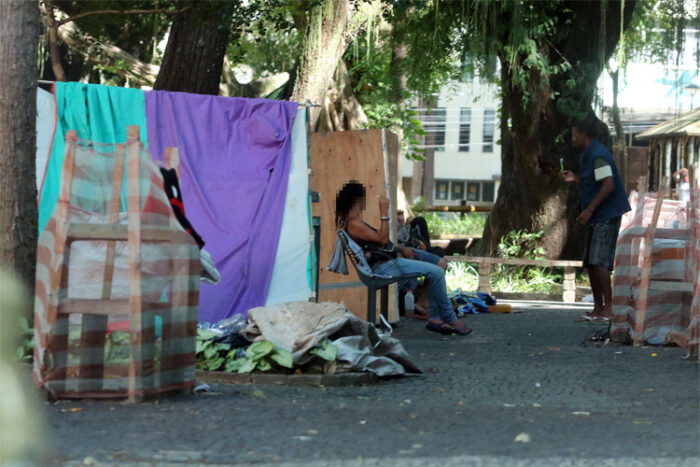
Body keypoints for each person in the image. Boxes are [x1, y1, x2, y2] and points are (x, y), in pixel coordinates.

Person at [335, 181, 472, 335]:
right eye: (363, 198)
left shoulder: (356, 221)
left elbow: (380, 243)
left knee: (441, 264)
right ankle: (449, 317)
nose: (364, 201)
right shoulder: (353, 223)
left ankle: (433, 316)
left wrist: (402, 248)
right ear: (357, 199)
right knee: (437, 273)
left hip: (390, 257)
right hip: (384, 265)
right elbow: (382, 240)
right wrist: (384, 213)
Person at [559, 119, 631, 322]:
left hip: (605, 215)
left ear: (584, 134)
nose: (573, 138)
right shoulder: (590, 155)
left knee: (599, 262)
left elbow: (608, 185)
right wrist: (576, 178)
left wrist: (589, 210)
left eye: (575, 133)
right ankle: (598, 308)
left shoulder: (598, 154)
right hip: (597, 215)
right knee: (591, 263)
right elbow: (596, 180)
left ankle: (609, 308)